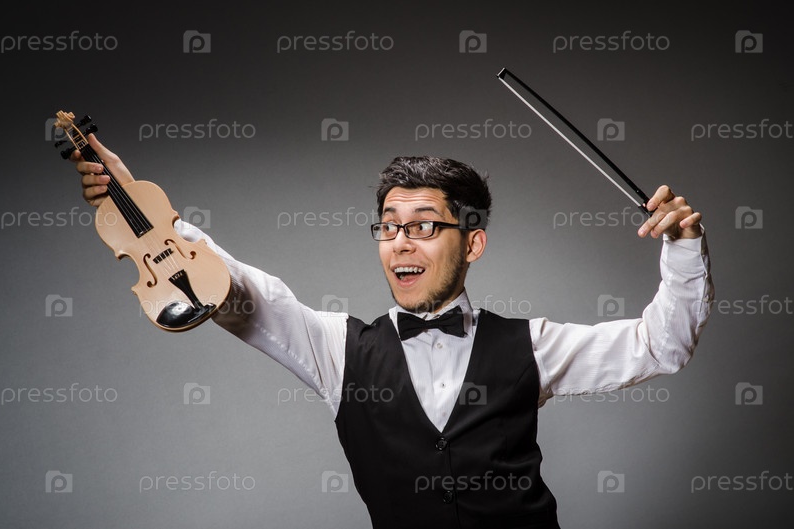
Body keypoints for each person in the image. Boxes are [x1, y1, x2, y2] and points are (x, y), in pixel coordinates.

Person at [74, 135, 713, 529]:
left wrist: (683, 246)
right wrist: (143, 209)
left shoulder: (533, 345)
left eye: (425, 225)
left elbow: (660, 344)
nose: (401, 242)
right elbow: (238, 290)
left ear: (473, 243)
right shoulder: (337, 350)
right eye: (389, 225)